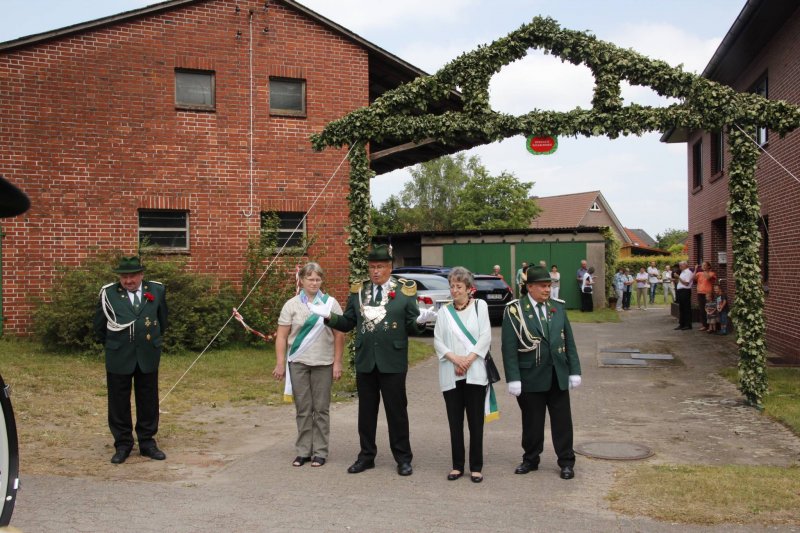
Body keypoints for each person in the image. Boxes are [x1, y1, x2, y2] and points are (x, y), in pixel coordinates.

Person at [308, 244, 434, 476]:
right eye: (372, 267)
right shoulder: (359, 290)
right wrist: (329, 317)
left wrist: (421, 321)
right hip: (366, 359)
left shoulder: (405, 290)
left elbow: (411, 323)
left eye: (380, 267)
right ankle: (366, 456)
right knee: (366, 413)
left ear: (390, 267)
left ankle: (403, 458)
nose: (375, 272)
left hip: (392, 360)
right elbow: (348, 322)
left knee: (396, 412)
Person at [501, 265, 582, 480]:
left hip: (557, 374)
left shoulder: (557, 307)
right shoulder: (514, 310)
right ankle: (530, 459)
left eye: (549, 285)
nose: (548, 290)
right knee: (532, 422)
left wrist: (574, 370)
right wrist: (513, 378)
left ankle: (566, 461)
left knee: (562, 422)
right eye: (543, 286)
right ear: (530, 287)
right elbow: (508, 347)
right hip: (530, 376)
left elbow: (569, 341)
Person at [93, 256, 168, 464]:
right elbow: (99, 326)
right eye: (124, 277)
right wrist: (115, 344)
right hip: (119, 355)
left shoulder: (157, 290)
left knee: (148, 399)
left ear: (141, 275)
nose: (128, 281)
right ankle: (123, 444)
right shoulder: (108, 293)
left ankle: (147, 443)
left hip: (147, 353)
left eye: (132, 276)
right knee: (118, 402)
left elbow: (163, 320)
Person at [273, 262, 345, 468]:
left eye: (318, 279)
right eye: (310, 279)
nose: (314, 283)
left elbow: (340, 334)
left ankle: (320, 451)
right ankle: (303, 451)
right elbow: (282, 336)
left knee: (321, 409)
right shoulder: (291, 305)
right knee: (303, 408)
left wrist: (337, 362)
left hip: (324, 362)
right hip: (298, 363)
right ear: (301, 280)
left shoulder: (330, 303)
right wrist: (280, 363)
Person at [433, 267, 491, 483]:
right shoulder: (444, 312)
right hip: (451, 372)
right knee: (455, 422)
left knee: (476, 422)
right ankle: (457, 465)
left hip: (475, 372)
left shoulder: (480, 307)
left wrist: (467, 360)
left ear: (469, 288)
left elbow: (485, 336)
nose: (454, 290)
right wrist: (455, 359)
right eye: (452, 286)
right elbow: (438, 340)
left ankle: (476, 467)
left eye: (459, 286)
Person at [694, 261, 718, 331]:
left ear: (708, 266)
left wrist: (705, 270)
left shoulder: (712, 273)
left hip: (708, 293)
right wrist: (695, 269)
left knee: (709, 309)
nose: (703, 266)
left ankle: (710, 326)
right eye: (702, 265)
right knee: (702, 310)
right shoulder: (699, 273)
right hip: (700, 293)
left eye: (705, 265)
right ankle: (704, 325)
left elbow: (708, 278)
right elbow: (693, 279)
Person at [675, 261, 694, 330]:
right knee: (681, 308)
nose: (679, 267)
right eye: (679, 265)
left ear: (685, 265)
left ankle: (688, 324)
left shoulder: (688, 272)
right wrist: (675, 279)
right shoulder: (682, 272)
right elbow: (680, 282)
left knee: (686, 308)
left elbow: (686, 283)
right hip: (680, 291)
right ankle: (681, 324)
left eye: (681, 265)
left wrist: (678, 277)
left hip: (685, 291)